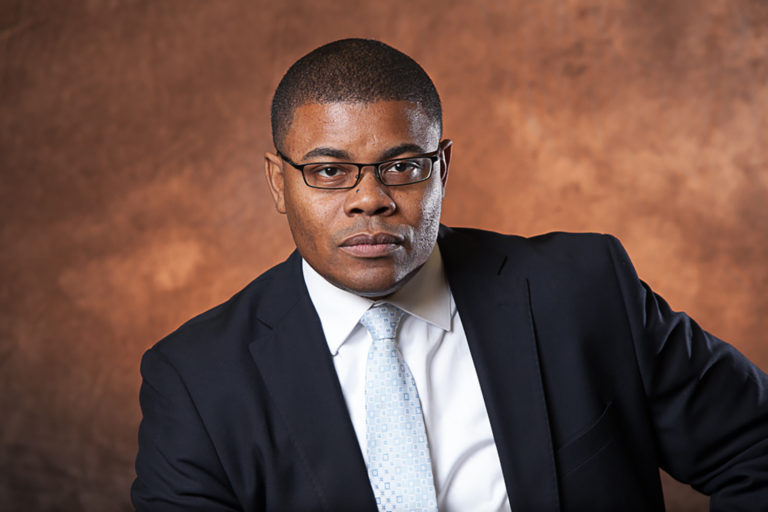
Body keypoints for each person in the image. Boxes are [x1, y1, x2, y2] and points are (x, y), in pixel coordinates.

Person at [131, 38, 768, 511]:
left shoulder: (582, 290)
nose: (369, 199)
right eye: (330, 172)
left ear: (442, 167)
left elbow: (754, 447)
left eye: (403, 166)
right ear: (279, 181)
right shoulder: (195, 381)